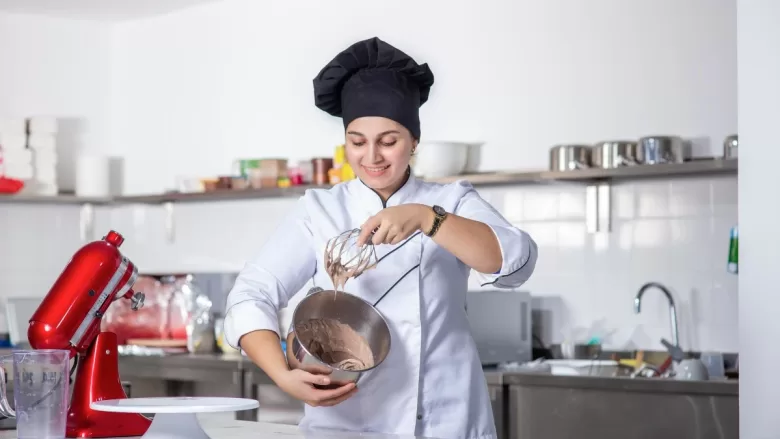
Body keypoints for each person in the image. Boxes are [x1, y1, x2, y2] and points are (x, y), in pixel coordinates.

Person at [223, 37, 538, 439]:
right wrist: (282, 375)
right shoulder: (320, 211)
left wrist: (429, 220)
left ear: (414, 142)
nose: (372, 157)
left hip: (443, 420)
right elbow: (250, 293)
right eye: (357, 142)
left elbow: (515, 262)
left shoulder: (450, 200)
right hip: (345, 424)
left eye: (389, 141)